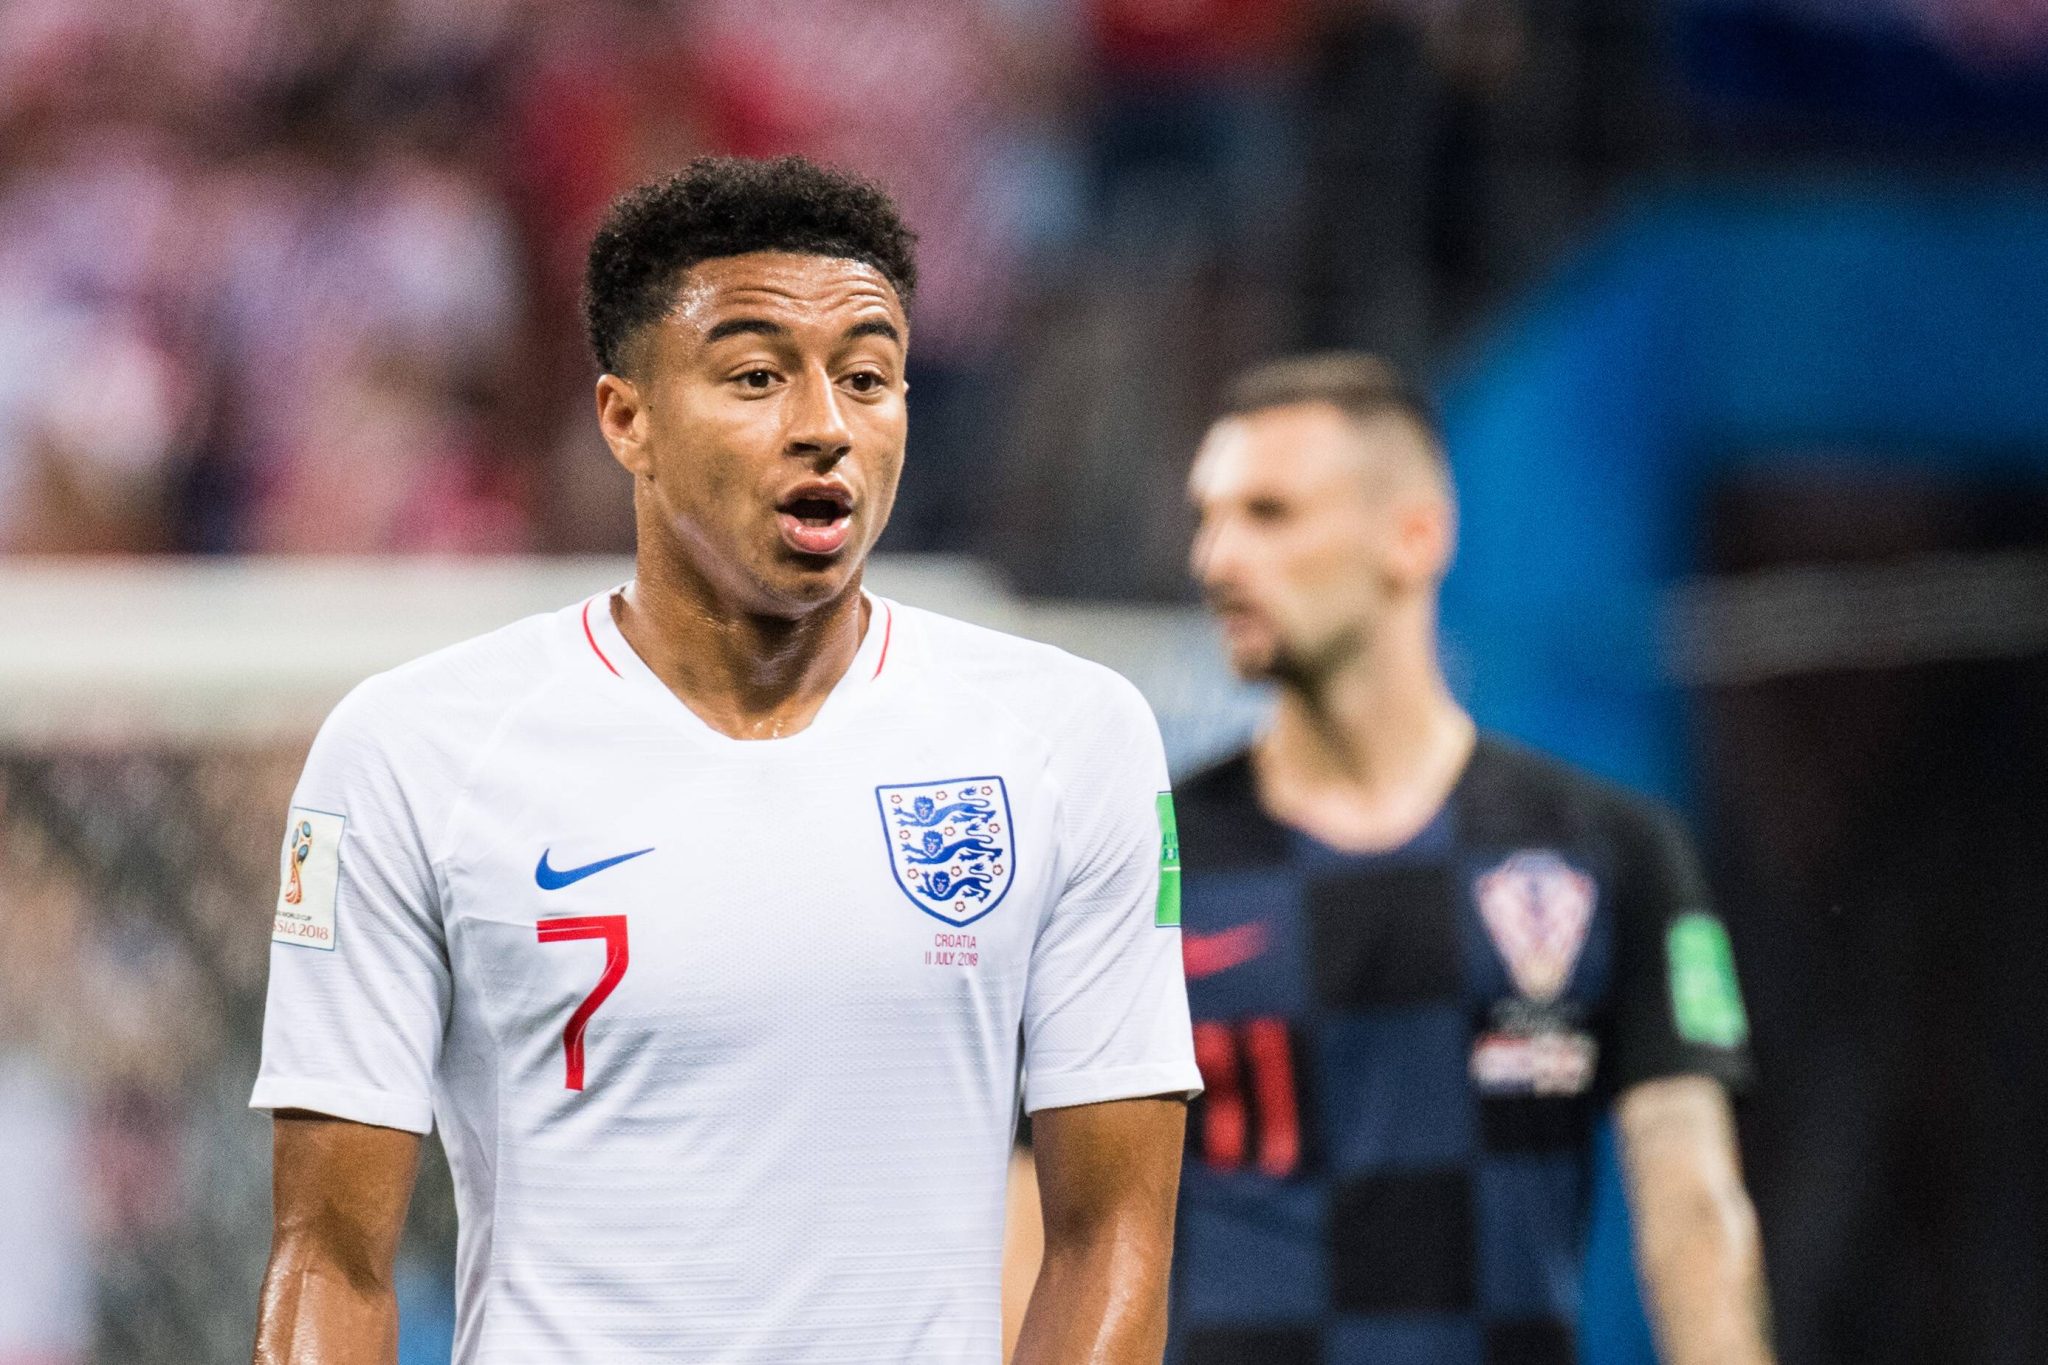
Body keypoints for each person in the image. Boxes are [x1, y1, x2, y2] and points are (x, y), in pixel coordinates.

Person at [247, 155, 1201, 1365]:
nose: (825, 426)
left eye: (867, 377)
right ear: (626, 420)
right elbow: (331, 1261)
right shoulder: (414, 751)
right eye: (756, 377)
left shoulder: (1068, 738)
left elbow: (1113, 1235)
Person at [1167, 352, 1773, 1364]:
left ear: (1414, 537)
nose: (1214, 557)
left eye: (1268, 514)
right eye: (1207, 516)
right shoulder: (1146, 857)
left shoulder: (1610, 851)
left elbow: (1694, 1213)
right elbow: (1044, 1207)